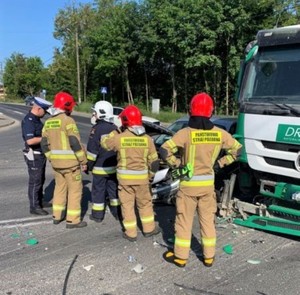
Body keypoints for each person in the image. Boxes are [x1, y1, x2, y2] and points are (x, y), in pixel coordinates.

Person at [159, 92, 242, 268]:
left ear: (191, 111)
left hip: (188, 186)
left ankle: (181, 258)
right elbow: (238, 150)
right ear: (211, 112)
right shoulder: (220, 134)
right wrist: (220, 163)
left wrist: (177, 165)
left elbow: (164, 151)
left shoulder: (185, 133)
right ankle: (209, 257)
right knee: (207, 221)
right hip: (207, 186)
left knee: (183, 221)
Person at [101, 105, 161, 241]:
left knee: (127, 206)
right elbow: (154, 162)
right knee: (145, 205)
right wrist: (150, 176)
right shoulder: (147, 139)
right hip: (143, 180)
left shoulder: (119, 138)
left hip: (125, 181)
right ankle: (149, 229)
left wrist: (116, 131)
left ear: (124, 121)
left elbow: (104, 143)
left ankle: (131, 233)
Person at [41, 92, 88, 229]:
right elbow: (74, 142)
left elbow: (44, 144)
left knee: (59, 188)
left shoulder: (49, 122)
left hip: (56, 165)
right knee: (75, 191)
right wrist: (83, 161)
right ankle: (73, 220)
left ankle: (57, 216)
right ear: (67, 106)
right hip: (71, 164)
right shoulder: (68, 121)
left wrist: (51, 158)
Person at [87, 100, 120, 222]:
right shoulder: (115, 128)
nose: (93, 115)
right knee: (114, 191)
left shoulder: (96, 129)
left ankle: (97, 215)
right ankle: (118, 213)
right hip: (114, 168)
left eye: (94, 112)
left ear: (100, 113)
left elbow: (92, 151)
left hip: (100, 169)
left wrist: (88, 166)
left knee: (98, 192)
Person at [22, 96, 52, 215]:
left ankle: (39, 201)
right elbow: (30, 141)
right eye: (44, 110)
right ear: (38, 109)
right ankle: (34, 207)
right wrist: (46, 138)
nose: (45, 113)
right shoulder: (29, 120)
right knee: (35, 181)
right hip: (33, 155)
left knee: (41, 179)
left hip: (40, 154)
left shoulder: (36, 119)